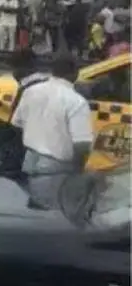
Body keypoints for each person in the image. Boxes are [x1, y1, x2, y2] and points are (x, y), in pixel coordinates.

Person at [11, 53, 93, 209]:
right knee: (51, 217)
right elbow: (82, 145)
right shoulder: (76, 101)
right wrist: (77, 170)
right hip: (56, 168)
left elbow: (17, 124)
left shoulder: (31, 91)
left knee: (32, 211)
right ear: (75, 73)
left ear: (52, 70)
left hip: (29, 160)